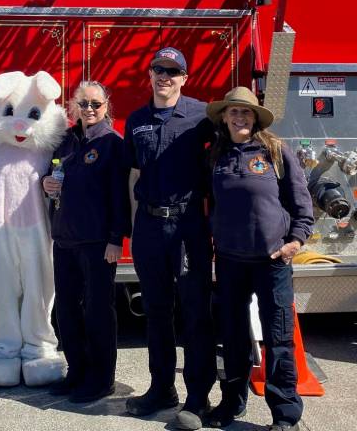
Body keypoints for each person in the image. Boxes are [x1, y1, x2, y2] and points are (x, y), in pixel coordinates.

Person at [204, 86, 314, 430]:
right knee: (233, 337)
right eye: (234, 112)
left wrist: (295, 240)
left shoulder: (276, 151)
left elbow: (301, 202)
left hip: (272, 262)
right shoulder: (215, 155)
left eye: (246, 112)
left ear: (255, 119)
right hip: (229, 260)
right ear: (224, 117)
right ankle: (232, 403)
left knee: (278, 338)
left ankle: (285, 415)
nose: (239, 117)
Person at [123, 47, 216, 431]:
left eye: (173, 71)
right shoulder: (136, 120)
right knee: (156, 312)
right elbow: (131, 176)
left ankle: (198, 398)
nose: (164, 76)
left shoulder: (201, 115)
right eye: (158, 70)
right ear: (149, 75)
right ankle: (161, 389)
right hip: (149, 226)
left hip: (187, 225)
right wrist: (128, 228)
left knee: (195, 313)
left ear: (184, 78)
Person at [42, 81, 131, 403]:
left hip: (97, 242)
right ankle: (76, 371)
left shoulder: (112, 143)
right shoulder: (65, 140)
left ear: (107, 106)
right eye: (83, 104)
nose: (89, 109)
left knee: (97, 312)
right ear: (73, 106)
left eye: (96, 104)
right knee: (66, 310)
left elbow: (120, 196)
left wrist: (115, 240)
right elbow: (52, 177)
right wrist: (46, 184)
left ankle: (101, 378)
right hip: (64, 237)